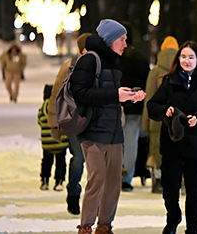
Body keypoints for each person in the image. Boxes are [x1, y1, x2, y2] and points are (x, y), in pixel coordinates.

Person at [72, 19, 146, 234]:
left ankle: (104, 226)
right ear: (111, 39)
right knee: (97, 179)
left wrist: (129, 97)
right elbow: (81, 94)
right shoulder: (88, 60)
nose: (125, 44)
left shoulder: (115, 62)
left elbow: (111, 96)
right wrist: (115, 94)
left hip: (114, 131)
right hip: (93, 131)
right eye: (122, 39)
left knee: (114, 182)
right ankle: (85, 226)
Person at [147, 41, 197, 234]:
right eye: (183, 57)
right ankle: (173, 217)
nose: (186, 61)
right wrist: (166, 110)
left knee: (194, 191)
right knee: (170, 189)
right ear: (177, 59)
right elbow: (152, 107)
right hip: (172, 144)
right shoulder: (169, 82)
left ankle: (194, 229)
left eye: (190, 57)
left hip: (195, 145)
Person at [49, 32, 91, 215]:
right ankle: (73, 193)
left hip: (94, 121)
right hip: (73, 121)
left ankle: (92, 199)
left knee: (94, 162)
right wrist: (53, 124)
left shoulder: (101, 66)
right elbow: (55, 97)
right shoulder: (69, 67)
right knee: (78, 159)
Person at [142, 36, 179, 194]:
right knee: (178, 150)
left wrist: (146, 123)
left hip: (158, 120)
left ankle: (158, 180)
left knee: (157, 150)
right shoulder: (183, 70)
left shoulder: (156, 71)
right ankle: (179, 180)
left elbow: (148, 98)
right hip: (178, 120)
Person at [119, 23, 151, 192]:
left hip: (121, 105)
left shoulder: (118, 57)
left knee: (125, 140)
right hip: (139, 104)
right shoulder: (140, 56)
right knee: (134, 140)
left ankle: (123, 176)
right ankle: (128, 175)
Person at [38, 84, 69, 192]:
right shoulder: (61, 106)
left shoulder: (42, 109)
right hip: (61, 141)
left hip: (47, 142)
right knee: (60, 162)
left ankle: (44, 180)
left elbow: (40, 120)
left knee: (46, 161)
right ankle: (59, 181)